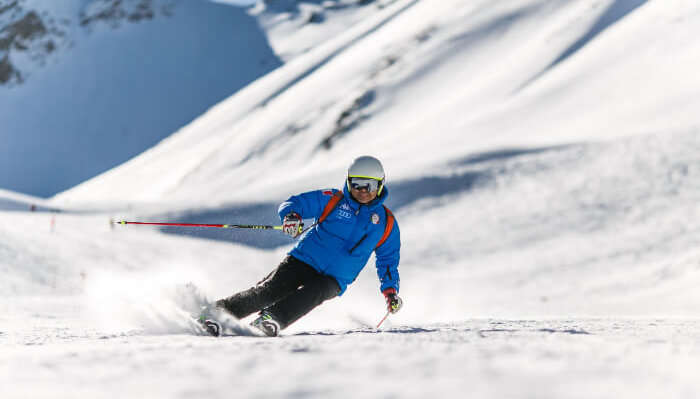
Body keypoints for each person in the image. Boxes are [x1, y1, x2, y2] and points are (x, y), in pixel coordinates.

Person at [208, 155, 402, 336]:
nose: (362, 190)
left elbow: (388, 261)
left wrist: (391, 292)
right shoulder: (333, 199)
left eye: (369, 185)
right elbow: (295, 203)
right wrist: (292, 217)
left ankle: (270, 321)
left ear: (380, 185)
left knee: (313, 294)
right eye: (357, 184)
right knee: (270, 291)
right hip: (304, 259)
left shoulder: (386, 224)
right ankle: (216, 314)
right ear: (349, 182)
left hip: (335, 278)